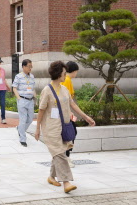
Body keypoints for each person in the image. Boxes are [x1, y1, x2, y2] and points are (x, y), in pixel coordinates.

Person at [35, 61, 95, 194]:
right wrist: (38, 128)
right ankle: (66, 182)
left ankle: (51, 177)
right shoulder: (47, 90)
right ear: (58, 74)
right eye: (63, 73)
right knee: (60, 153)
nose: (65, 75)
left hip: (64, 126)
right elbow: (41, 110)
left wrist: (86, 117)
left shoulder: (64, 89)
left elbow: (73, 105)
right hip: (51, 128)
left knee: (58, 152)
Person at [12, 59, 36, 147]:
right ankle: (22, 139)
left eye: (31, 66)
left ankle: (20, 129)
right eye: (29, 66)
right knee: (23, 120)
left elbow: (33, 88)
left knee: (30, 120)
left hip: (30, 100)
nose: (30, 68)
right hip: (22, 100)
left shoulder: (32, 76)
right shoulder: (18, 76)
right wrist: (19, 98)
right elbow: (14, 88)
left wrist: (35, 98)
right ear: (23, 66)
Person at [62, 61, 79, 167]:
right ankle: (66, 157)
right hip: (65, 113)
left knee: (69, 133)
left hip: (65, 111)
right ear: (74, 71)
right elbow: (66, 99)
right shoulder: (67, 80)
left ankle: (66, 156)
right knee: (71, 133)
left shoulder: (66, 79)